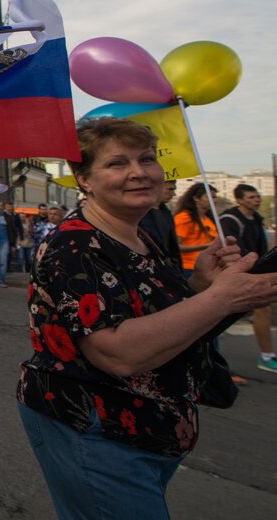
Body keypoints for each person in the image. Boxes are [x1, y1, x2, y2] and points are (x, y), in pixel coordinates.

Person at [16, 117, 277, 520]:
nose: (139, 172)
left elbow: (149, 310)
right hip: (97, 429)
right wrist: (222, 299)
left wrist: (201, 283)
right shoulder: (75, 243)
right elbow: (117, 352)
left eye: (147, 159)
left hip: (147, 429)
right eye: (117, 163)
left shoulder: (135, 233)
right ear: (83, 178)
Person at [220, 184, 277, 373]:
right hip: (241, 272)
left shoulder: (257, 219)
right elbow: (231, 247)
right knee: (263, 308)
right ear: (240, 199)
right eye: (251, 197)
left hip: (257, 271)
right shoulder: (230, 220)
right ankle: (267, 356)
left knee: (240, 311)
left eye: (257, 196)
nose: (256, 200)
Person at [174, 182, 218, 280]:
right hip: (189, 268)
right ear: (196, 198)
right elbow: (176, 246)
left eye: (215, 197)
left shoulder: (209, 218)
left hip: (208, 267)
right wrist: (206, 246)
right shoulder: (184, 218)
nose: (214, 201)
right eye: (210, 197)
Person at [139, 180, 182, 271]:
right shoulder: (138, 213)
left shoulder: (165, 212)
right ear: (157, 187)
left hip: (170, 267)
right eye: (170, 189)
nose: (173, 194)